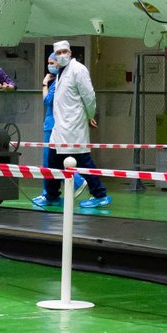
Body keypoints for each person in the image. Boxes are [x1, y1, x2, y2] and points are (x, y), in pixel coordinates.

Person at [33, 41, 110, 209]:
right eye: (58, 52)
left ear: (70, 52)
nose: (61, 55)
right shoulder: (61, 73)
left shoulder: (78, 70)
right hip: (59, 129)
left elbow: (89, 96)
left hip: (74, 127)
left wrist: (90, 116)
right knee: (53, 162)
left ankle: (100, 195)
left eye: (64, 51)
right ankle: (52, 196)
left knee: (83, 162)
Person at [37, 56, 85, 201]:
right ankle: (51, 193)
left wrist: (44, 84)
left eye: (52, 63)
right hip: (59, 124)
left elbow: (47, 101)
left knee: (50, 161)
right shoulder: (64, 81)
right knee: (56, 160)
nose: (50, 66)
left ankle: (76, 181)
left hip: (53, 126)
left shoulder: (57, 83)